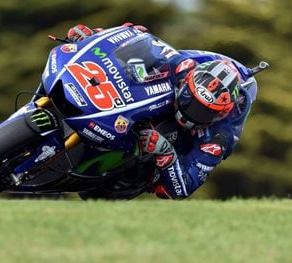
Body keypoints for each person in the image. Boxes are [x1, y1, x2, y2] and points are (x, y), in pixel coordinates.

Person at [65, 23, 258, 199]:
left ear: (221, 114)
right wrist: (94, 36)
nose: (192, 111)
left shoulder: (219, 137)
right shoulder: (183, 67)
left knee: (110, 191)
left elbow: (183, 189)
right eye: (190, 99)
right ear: (186, 82)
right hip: (155, 98)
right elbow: (135, 36)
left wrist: (165, 153)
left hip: (155, 160)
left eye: (204, 111)